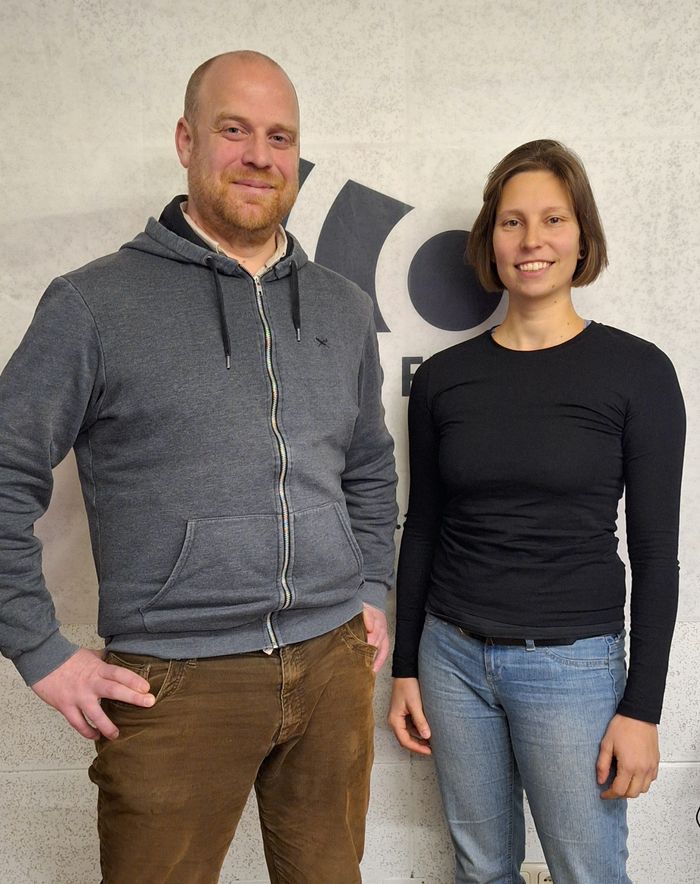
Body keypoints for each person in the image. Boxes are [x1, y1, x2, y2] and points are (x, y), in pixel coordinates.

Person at [0, 51, 397, 884]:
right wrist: (36, 645)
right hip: (177, 683)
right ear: (187, 140)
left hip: (331, 667)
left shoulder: (343, 305)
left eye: (280, 136)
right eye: (235, 130)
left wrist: (368, 591)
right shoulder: (93, 304)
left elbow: (367, 465)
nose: (260, 155)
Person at [388, 140, 685, 883]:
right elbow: (422, 527)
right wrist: (404, 668)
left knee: (587, 872)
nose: (532, 240)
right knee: (481, 868)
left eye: (553, 219)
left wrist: (642, 709)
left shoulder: (637, 372)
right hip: (450, 659)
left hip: (572, 668)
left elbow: (655, 554)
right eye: (513, 222)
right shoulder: (446, 380)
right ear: (490, 239)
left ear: (582, 235)